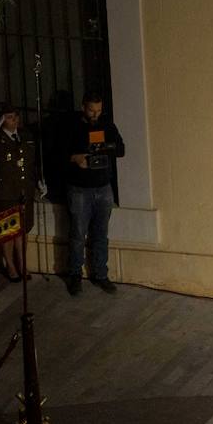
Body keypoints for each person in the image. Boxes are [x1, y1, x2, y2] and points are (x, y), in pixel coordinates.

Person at [63, 92, 125, 295]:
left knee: (101, 233)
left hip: (103, 186)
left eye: (98, 110)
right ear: (83, 107)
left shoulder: (107, 125)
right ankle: (75, 274)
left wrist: (104, 148)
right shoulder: (72, 126)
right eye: (91, 110)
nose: (95, 114)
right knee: (78, 234)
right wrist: (76, 158)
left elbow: (121, 149)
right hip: (79, 189)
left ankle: (100, 274)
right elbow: (57, 153)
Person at [0, 105, 44, 282]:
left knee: (22, 231)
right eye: (8, 117)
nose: (14, 120)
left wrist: (38, 181)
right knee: (7, 232)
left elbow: (31, 163)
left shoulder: (25, 135)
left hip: (24, 191)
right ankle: (10, 265)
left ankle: (22, 264)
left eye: (15, 116)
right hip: (5, 193)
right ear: (1, 120)